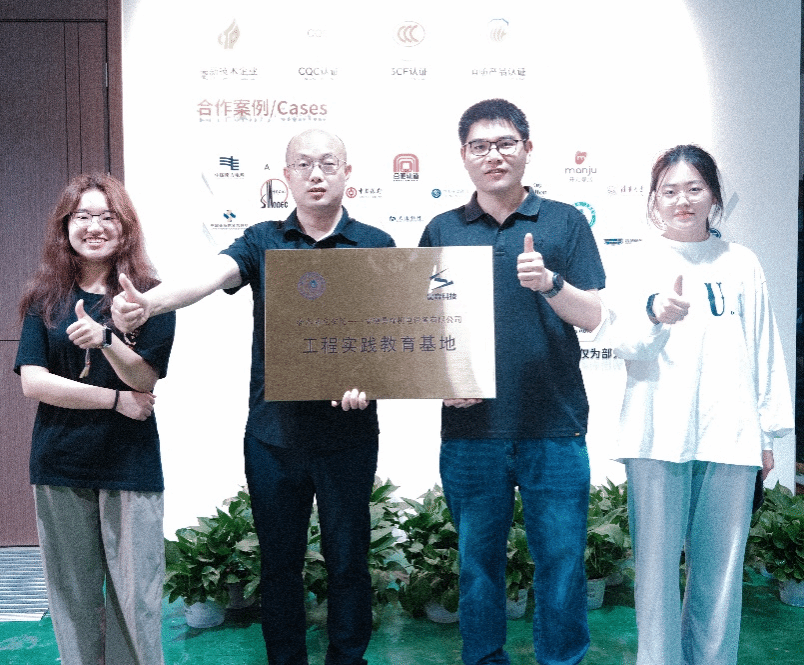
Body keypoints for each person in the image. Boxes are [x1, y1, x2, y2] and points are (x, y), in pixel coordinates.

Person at [111, 128, 396, 665]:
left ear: (347, 173)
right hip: (273, 437)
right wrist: (150, 303)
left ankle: (348, 658)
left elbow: (390, 337)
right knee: (279, 564)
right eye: (303, 164)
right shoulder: (263, 239)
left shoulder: (377, 245)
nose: (316, 174)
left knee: (349, 561)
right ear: (286, 176)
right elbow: (208, 277)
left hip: (349, 436)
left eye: (328, 163)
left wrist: (374, 383)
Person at [418, 98, 606, 665]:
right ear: (464, 156)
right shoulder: (442, 229)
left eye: (505, 144)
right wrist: (437, 382)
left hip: (555, 425)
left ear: (527, 148)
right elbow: (421, 327)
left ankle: (561, 659)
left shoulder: (565, 222)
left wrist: (550, 283)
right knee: (477, 567)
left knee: (563, 564)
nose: (493, 156)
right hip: (471, 430)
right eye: (480, 146)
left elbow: (594, 316)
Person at [606, 145, 793, 665]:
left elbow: (764, 349)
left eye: (694, 189)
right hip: (655, 435)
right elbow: (623, 342)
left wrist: (767, 435)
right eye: (669, 191)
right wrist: (654, 313)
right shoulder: (636, 260)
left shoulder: (742, 262)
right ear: (654, 199)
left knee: (721, 572)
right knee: (655, 572)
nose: (682, 201)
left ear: (713, 195)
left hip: (731, 435)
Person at [14, 173, 176, 665]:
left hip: (130, 464)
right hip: (60, 463)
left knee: (137, 600)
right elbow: (34, 383)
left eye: (106, 216)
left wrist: (107, 339)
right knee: (73, 599)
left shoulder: (147, 296)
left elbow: (144, 378)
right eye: (82, 216)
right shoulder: (45, 298)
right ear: (65, 227)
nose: (94, 227)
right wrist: (113, 400)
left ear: (125, 227)